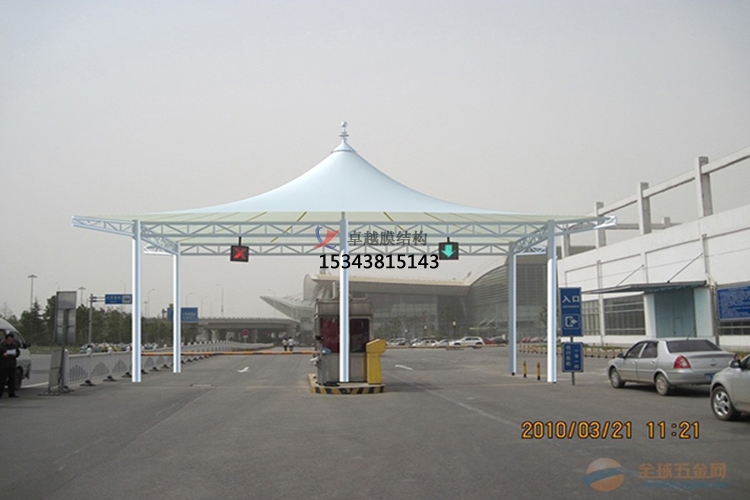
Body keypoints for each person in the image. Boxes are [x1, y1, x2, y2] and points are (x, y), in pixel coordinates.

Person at [0, 332, 21, 398]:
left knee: (12, 380)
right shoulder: (2, 345)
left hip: (12, 365)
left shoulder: (14, 345)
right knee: (2, 380)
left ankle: (11, 393)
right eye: (9, 340)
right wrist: (3, 355)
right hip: (3, 365)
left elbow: (18, 352)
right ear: (6, 339)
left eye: (11, 340)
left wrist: (16, 354)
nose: (10, 341)